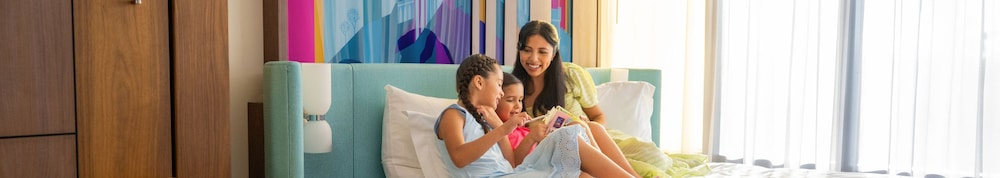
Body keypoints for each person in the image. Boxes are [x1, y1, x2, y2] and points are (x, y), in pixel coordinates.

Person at [435, 54, 632, 178]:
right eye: (498, 84)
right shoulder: (453, 115)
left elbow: (512, 163)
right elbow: (459, 158)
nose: (501, 93)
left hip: (513, 172)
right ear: (479, 82)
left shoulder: (486, 119)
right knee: (566, 138)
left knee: (579, 166)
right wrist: (502, 129)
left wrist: (498, 126)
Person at [496, 72, 640, 177]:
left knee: (590, 126)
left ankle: (633, 175)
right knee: (575, 135)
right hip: (540, 165)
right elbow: (514, 163)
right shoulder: (502, 131)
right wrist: (531, 138)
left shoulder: (521, 125)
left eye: (520, 100)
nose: (517, 106)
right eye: (510, 100)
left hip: (548, 156)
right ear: (496, 100)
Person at [512, 20, 606, 124]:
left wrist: (586, 128)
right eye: (527, 50)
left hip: (592, 137)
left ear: (553, 54)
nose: (534, 59)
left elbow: (598, 116)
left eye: (542, 52)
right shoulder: (509, 87)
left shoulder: (572, 74)